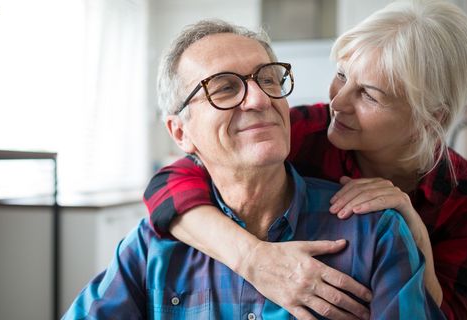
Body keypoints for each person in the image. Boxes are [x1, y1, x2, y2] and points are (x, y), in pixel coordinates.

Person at [64, 20, 444, 319]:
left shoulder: (375, 233)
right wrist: (252, 258)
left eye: (268, 78)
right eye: (225, 88)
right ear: (181, 132)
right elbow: (164, 184)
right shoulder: (152, 247)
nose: (260, 99)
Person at [143, 1, 467, 319]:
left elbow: (446, 313)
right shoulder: (305, 130)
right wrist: (252, 259)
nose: (338, 102)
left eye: (368, 95)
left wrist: (416, 237)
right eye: (342, 75)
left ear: (431, 117)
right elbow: (168, 184)